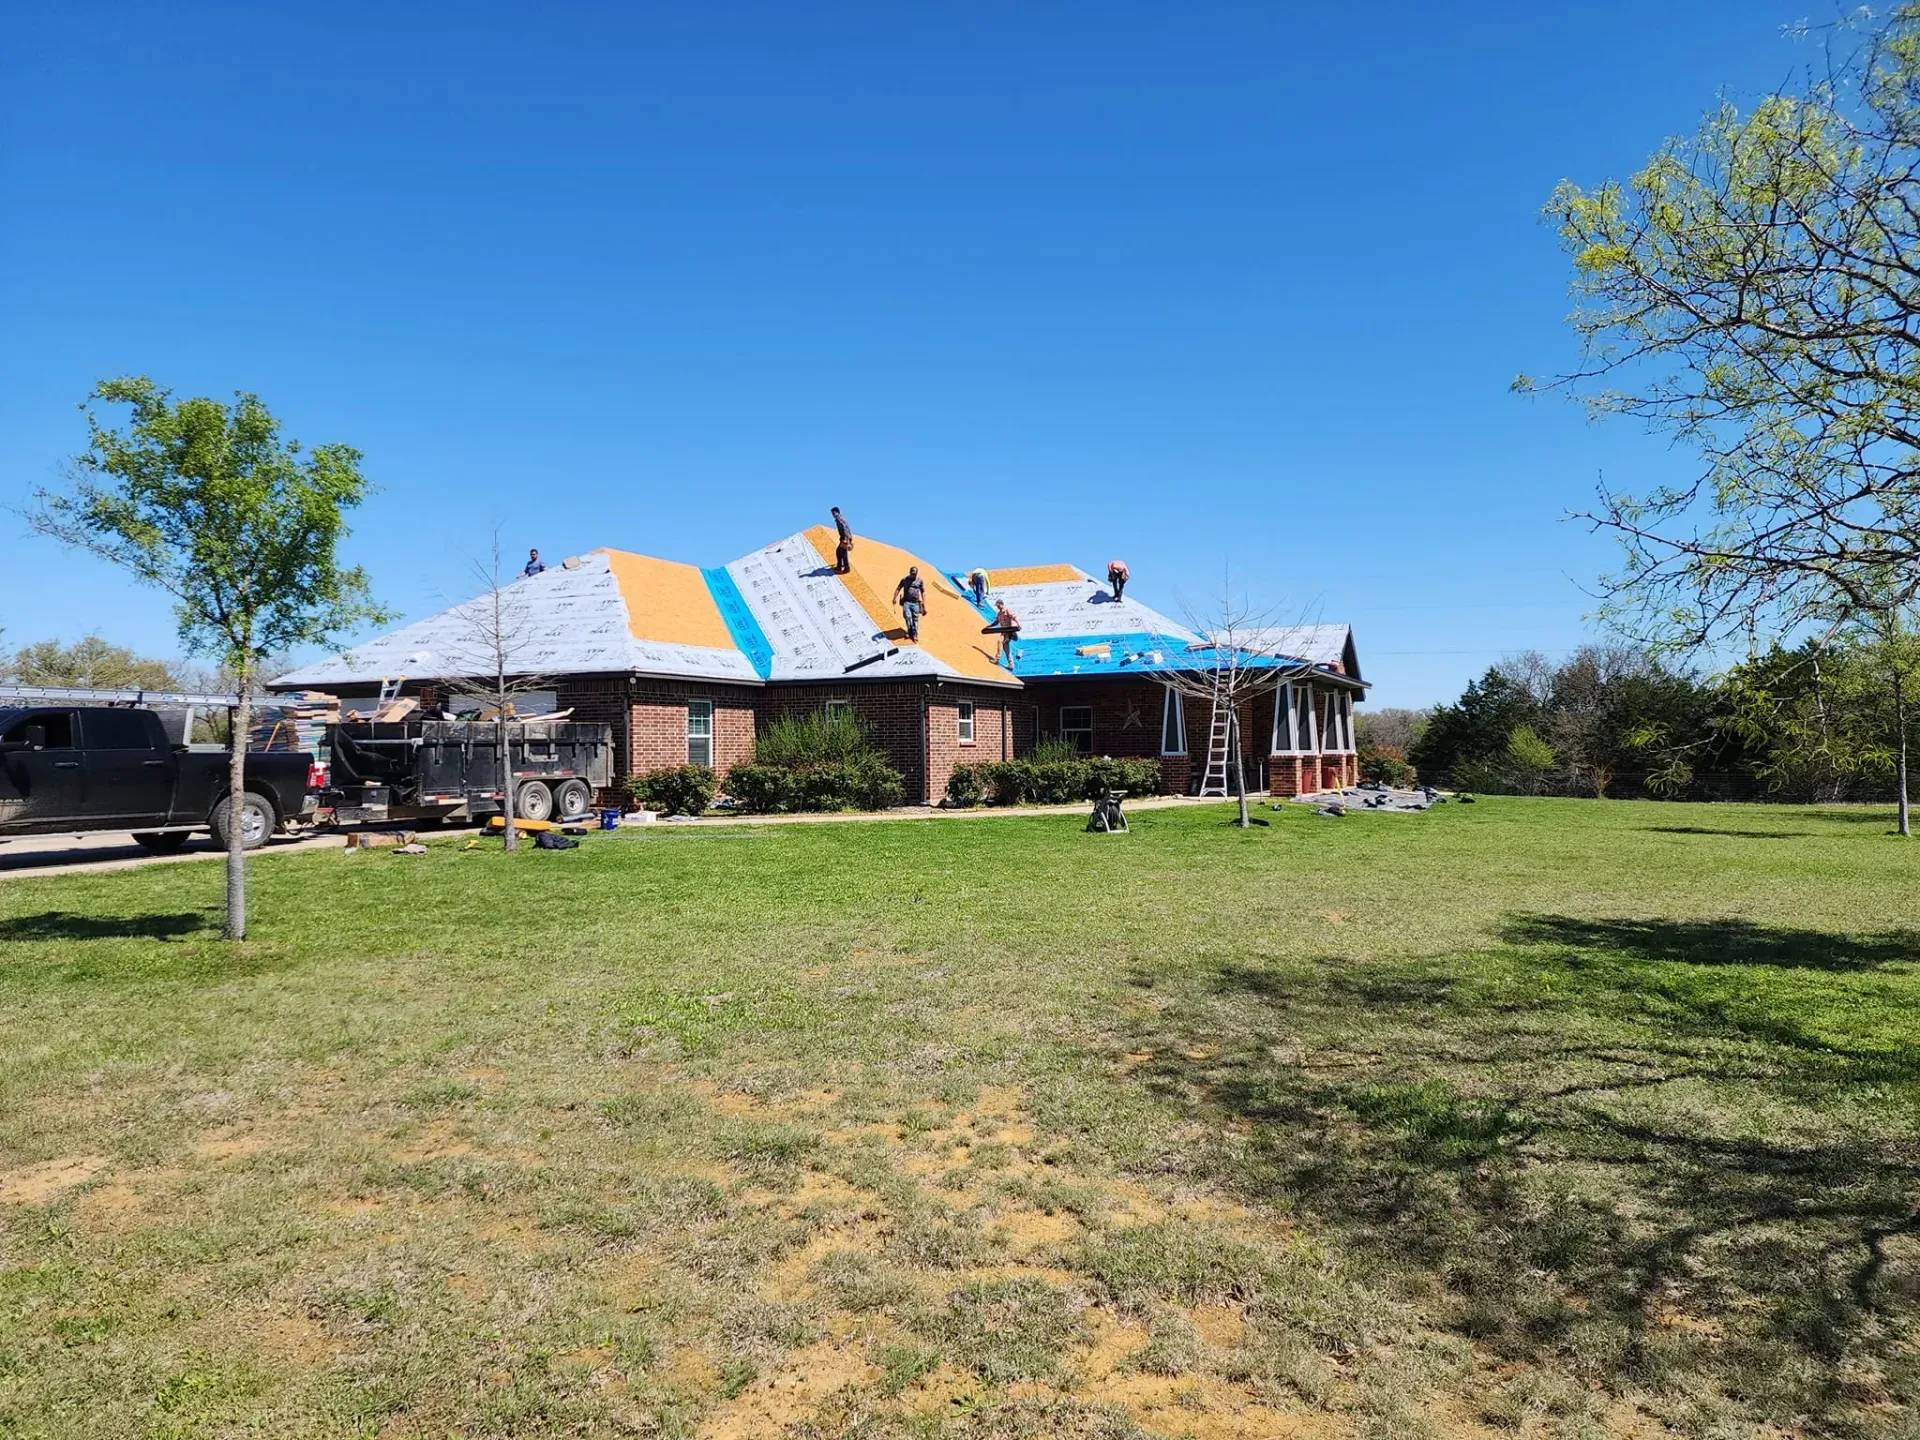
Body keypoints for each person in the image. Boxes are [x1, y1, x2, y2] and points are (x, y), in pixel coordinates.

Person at [982, 599, 1021, 668]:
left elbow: (1014, 617)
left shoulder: (1007, 610)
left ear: (1001, 604)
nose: (997, 607)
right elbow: (996, 622)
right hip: (1003, 631)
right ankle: (1011, 664)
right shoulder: (999, 614)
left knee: (1000, 642)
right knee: (1006, 648)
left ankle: (997, 659)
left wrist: (1018, 624)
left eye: (998, 605)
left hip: (1008, 631)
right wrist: (989, 626)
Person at [892, 565, 927, 641]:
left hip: (916, 603)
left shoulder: (920, 581)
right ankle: (910, 630)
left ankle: (914, 633)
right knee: (907, 616)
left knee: (915, 619)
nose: (913, 575)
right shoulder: (904, 580)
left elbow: (923, 592)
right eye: (912, 573)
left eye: (915, 574)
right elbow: (898, 588)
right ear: (910, 572)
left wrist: (924, 604)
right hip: (907, 602)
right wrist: (894, 598)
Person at [831, 507, 854, 574]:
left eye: (834, 513)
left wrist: (845, 538)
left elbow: (844, 527)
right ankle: (839, 566)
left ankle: (846, 568)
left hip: (845, 537)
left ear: (837, 512)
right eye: (832, 513)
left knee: (842, 552)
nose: (833, 514)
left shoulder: (839, 519)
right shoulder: (841, 518)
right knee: (839, 552)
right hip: (845, 536)